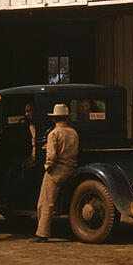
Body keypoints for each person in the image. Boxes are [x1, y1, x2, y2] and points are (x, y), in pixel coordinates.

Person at [33, 103, 80, 242]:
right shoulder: (73, 132)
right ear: (67, 118)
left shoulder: (54, 133)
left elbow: (52, 156)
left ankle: (42, 233)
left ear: (54, 119)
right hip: (71, 168)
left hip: (57, 170)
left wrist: (48, 166)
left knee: (45, 202)